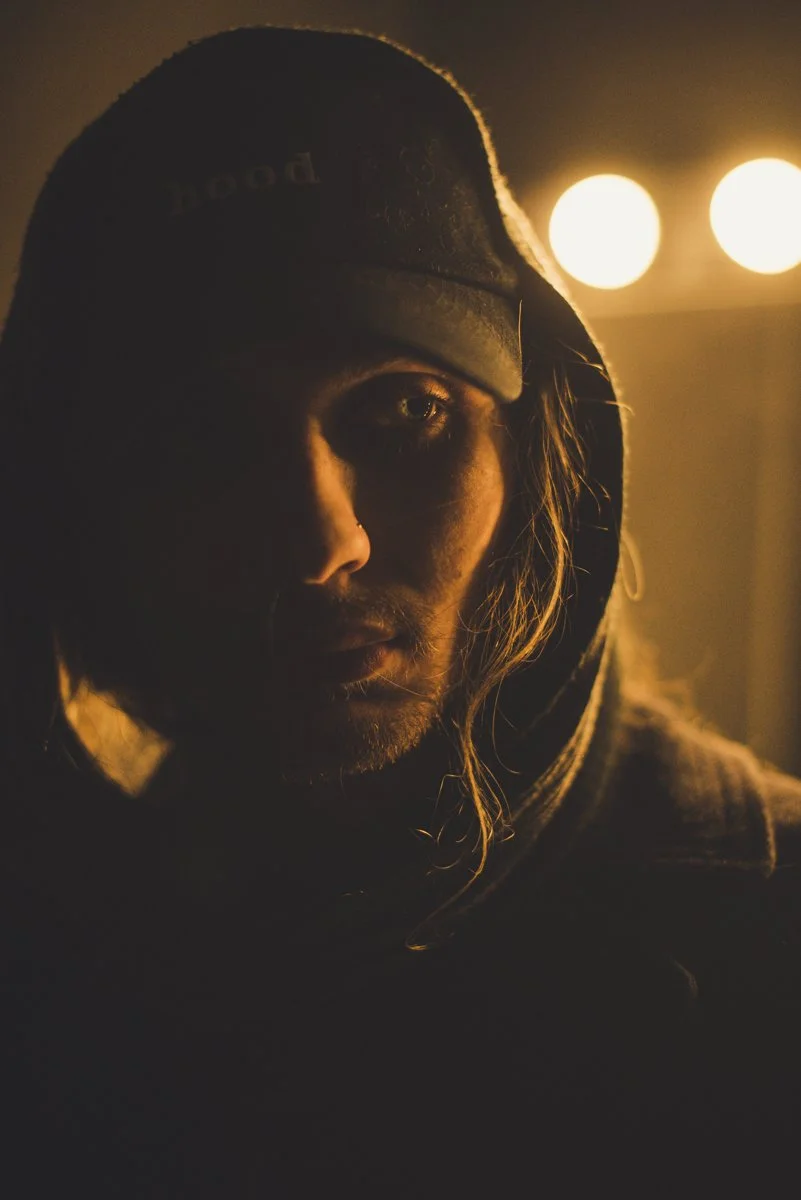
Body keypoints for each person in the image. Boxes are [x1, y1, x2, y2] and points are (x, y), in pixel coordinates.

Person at [2, 23, 800, 1197]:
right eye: (202, 441)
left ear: (541, 455)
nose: (323, 541)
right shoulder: (51, 967)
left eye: (404, 413)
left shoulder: (773, 950)